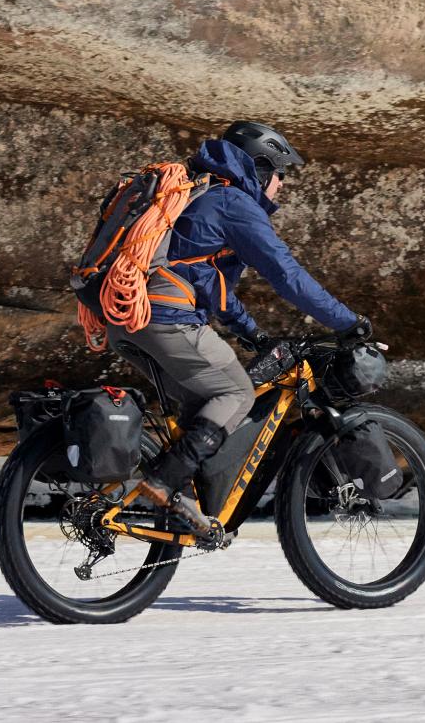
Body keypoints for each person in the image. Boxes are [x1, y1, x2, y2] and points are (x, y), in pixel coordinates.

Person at [105, 121, 371, 537]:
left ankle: (184, 503)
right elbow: (286, 275)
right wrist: (347, 322)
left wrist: (251, 332)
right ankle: (163, 481)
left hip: (124, 316)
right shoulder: (233, 203)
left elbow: (205, 280)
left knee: (202, 407)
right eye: (280, 173)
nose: (282, 184)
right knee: (236, 393)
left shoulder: (200, 193)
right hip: (164, 318)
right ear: (260, 168)